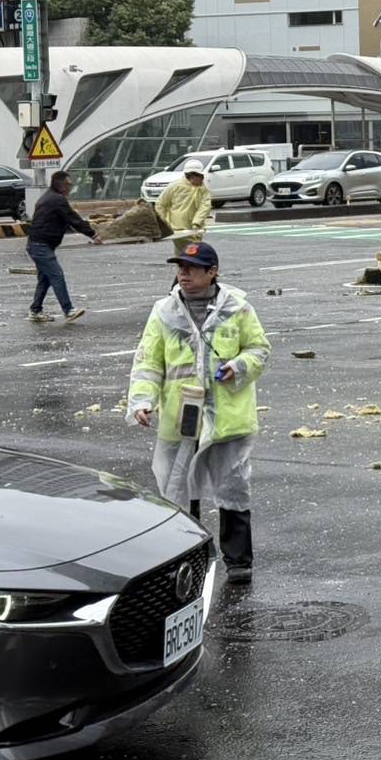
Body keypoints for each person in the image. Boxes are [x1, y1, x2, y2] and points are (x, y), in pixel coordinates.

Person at [126, 242, 270, 583]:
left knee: (232, 486)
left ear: (213, 272)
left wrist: (239, 366)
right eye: (180, 267)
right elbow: (148, 361)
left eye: (192, 268)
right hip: (182, 417)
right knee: (177, 486)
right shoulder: (164, 311)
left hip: (228, 417)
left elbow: (260, 348)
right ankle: (184, 558)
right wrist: (142, 402)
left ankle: (238, 562)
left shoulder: (238, 307)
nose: (184, 274)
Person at [25, 170, 102, 323]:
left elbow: (65, 219)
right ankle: (68, 310)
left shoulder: (49, 197)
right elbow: (73, 219)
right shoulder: (57, 199)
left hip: (38, 244)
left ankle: (35, 310)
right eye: (68, 184)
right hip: (40, 245)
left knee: (45, 279)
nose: (70, 187)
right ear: (61, 185)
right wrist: (93, 234)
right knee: (56, 275)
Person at [155, 159, 213, 255]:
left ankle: (183, 269)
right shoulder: (175, 186)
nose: (203, 178)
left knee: (185, 254)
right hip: (179, 230)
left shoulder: (203, 189)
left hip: (196, 229)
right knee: (190, 253)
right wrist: (164, 223)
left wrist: (196, 223)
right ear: (192, 176)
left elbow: (205, 207)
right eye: (201, 176)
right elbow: (160, 204)